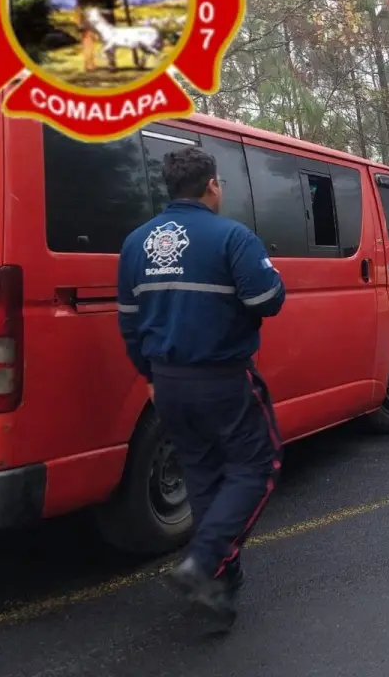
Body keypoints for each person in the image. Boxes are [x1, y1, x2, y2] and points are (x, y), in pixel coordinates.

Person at [117, 147, 285, 626]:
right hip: (223, 380)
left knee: (206, 476)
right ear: (212, 185)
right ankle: (204, 559)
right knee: (259, 465)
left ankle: (217, 589)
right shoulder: (233, 237)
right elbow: (267, 299)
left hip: (167, 385)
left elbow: (128, 323)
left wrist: (149, 376)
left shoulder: (136, 244)